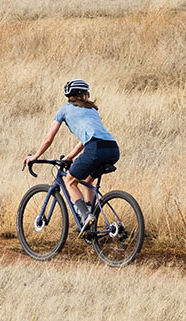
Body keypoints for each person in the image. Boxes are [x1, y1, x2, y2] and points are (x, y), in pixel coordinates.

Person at [23, 80, 121, 236]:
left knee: (69, 181)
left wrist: (35, 156)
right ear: (84, 95)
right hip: (113, 149)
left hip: (95, 149)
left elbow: (49, 139)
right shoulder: (92, 110)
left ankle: (86, 215)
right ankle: (89, 224)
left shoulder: (63, 111)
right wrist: (70, 157)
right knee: (88, 181)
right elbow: (87, 138)